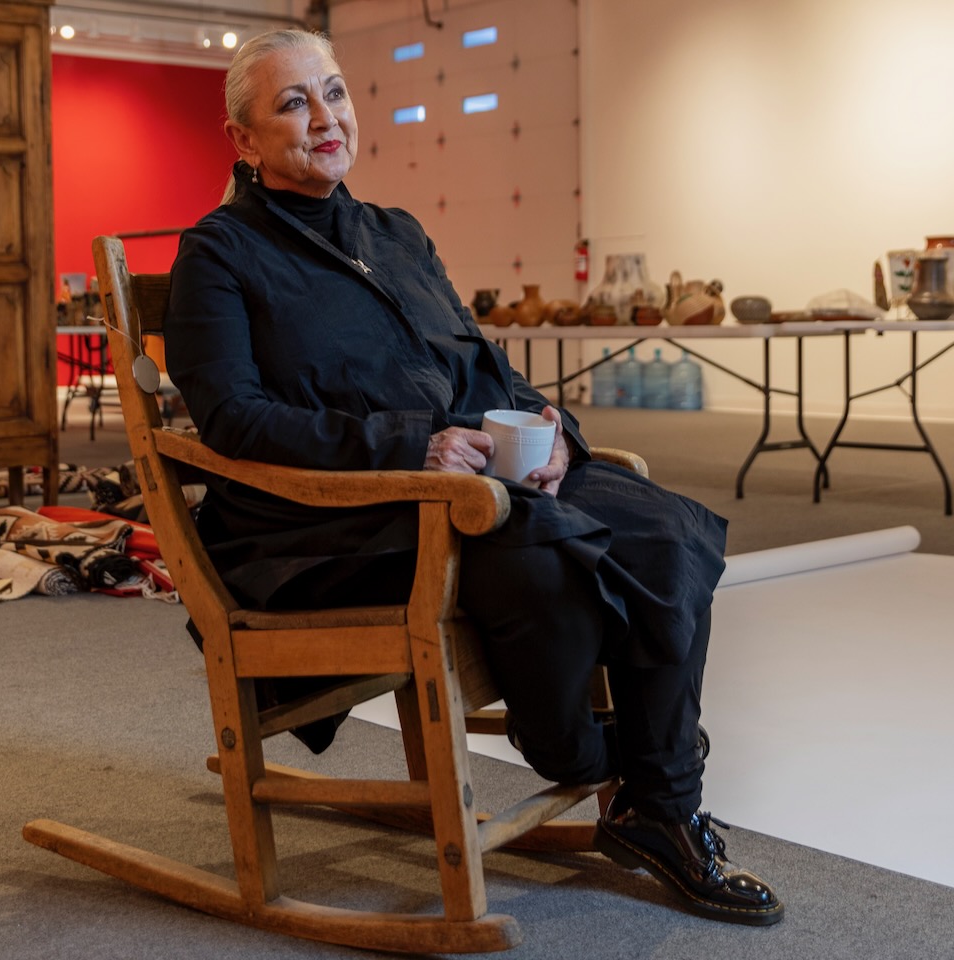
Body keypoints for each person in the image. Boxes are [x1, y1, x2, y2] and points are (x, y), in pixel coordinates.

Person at [164, 27, 783, 927]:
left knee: (667, 528)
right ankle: (585, 751)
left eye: (333, 93)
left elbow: (486, 370)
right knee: (542, 549)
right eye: (293, 103)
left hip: (473, 484)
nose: (325, 117)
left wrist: (554, 429)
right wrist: (412, 445)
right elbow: (232, 419)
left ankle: (657, 803)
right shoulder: (220, 254)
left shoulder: (397, 235)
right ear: (246, 142)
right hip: (336, 523)